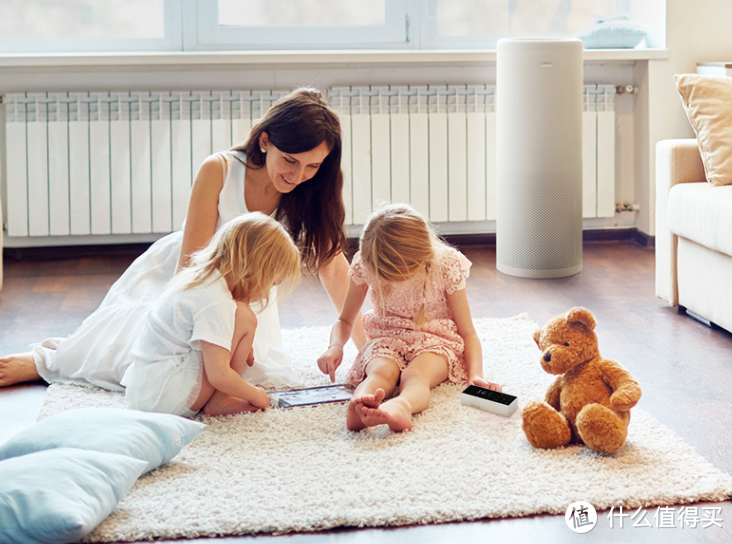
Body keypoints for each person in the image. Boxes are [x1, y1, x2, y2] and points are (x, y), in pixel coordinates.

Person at [0, 87, 364, 391]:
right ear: (266, 141)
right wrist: (197, 324)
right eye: (290, 161)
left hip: (247, 292)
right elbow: (191, 264)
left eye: (313, 166)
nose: (299, 175)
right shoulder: (220, 169)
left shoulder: (313, 190)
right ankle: (43, 361)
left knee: (245, 374)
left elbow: (335, 271)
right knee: (138, 360)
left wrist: (369, 350)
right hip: (193, 277)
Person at [318, 204, 501, 432]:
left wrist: (476, 375)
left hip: (435, 340)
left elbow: (468, 332)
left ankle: (401, 406)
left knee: (416, 375)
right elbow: (345, 320)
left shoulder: (446, 265)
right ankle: (360, 405)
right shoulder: (367, 261)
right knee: (380, 371)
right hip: (386, 338)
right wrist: (334, 346)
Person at [122, 213, 301, 417]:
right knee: (245, 317)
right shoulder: (215, 300)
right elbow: (219, 375)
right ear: (256, 271)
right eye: (271, 283)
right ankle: (221, 399)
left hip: (146, 390)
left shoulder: (200, 280)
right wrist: (255, 394)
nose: (267, 291)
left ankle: (220, 398)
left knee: (239, 315)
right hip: (166, 396)